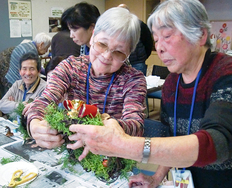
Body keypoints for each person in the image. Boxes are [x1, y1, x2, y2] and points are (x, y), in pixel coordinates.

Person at [67, 0, 232, 187]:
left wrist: (125, 145)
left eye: (167, 36)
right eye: (156, 39)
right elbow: (173, 141)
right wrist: (156, 177)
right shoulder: (171, 84)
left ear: (201, 35)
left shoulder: (225, 73)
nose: (159, 48)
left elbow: (219, 142)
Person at [26, 7, 147, 149]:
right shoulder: (70, 67)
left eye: (119, 52)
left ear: (129, 53)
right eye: (102, 44)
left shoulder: (133, 79)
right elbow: (45, 100)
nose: (106, 56)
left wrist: (106, 124)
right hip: (73, 151)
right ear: (93, 35)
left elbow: (135, 124)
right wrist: (34, 124)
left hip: (112, 155)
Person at [118, 4, 153, 76]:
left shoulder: (139, 25)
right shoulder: (115, 27)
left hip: (138, 63)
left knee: (138, 85)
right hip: (120, 63)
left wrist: (143, 57)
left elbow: (148, 42)